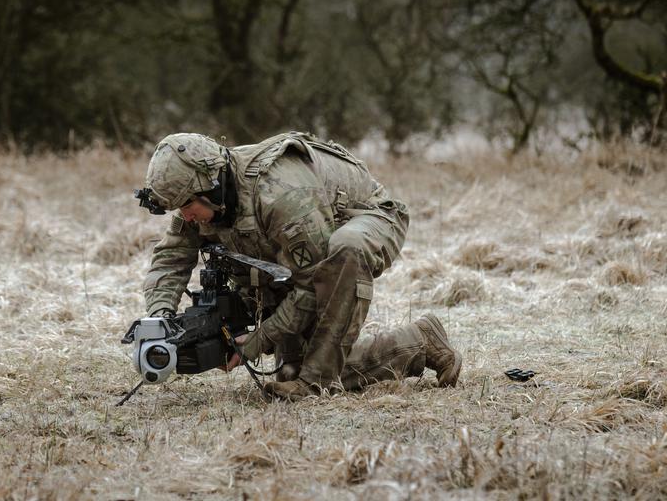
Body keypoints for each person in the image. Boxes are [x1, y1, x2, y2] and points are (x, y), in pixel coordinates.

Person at [136, 131, 461, 399]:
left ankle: (314, 383)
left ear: (211, 186)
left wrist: (258, 341)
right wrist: (159, 319)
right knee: (294, 369)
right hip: (298, 254)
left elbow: (311, 282)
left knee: (344, 251)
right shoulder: (203, 197)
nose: (186, 217)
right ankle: (420, 341)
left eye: (188, 206)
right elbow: (170, 258)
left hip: (368, 220)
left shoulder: (279, 194)